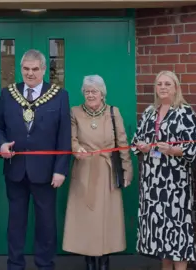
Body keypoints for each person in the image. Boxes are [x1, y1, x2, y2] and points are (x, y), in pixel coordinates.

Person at [0, 49, 71, 270]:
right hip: (15, 169)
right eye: (26, 69)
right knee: (16, 223)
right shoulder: (8, 93)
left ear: (44, 70)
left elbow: (64, 135)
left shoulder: (59, 95)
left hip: (46, 172)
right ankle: (15, 265)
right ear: (21, 69)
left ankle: (45, 265)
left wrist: (61, 169)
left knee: (46, 223)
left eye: (35, 69)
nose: (30, 73)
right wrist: (1, 144)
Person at [131, 71, 196, 270]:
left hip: (175, 181)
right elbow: (135, 141)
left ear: (176, 87)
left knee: (178, 229)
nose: (162, 87)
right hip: (153, 180)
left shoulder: (185, 112)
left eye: (167, 84)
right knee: (161, 230)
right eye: (159, 84)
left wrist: (172, 150)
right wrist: (142, 146)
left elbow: (194, 147)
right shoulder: (149, 112)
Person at [62, 75, 133, 270]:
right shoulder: (74, 112)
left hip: (107, 172)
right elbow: (71, 137)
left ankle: (104, 261)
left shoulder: (113, 112)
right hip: (84, 170)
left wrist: (126, 170)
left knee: (107, 220)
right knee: (86, 220)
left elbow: (122, 143)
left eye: (94, 91)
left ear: (102, 94)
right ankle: (89, 262)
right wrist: (77, 149)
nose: (90, 95)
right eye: (87, 91)